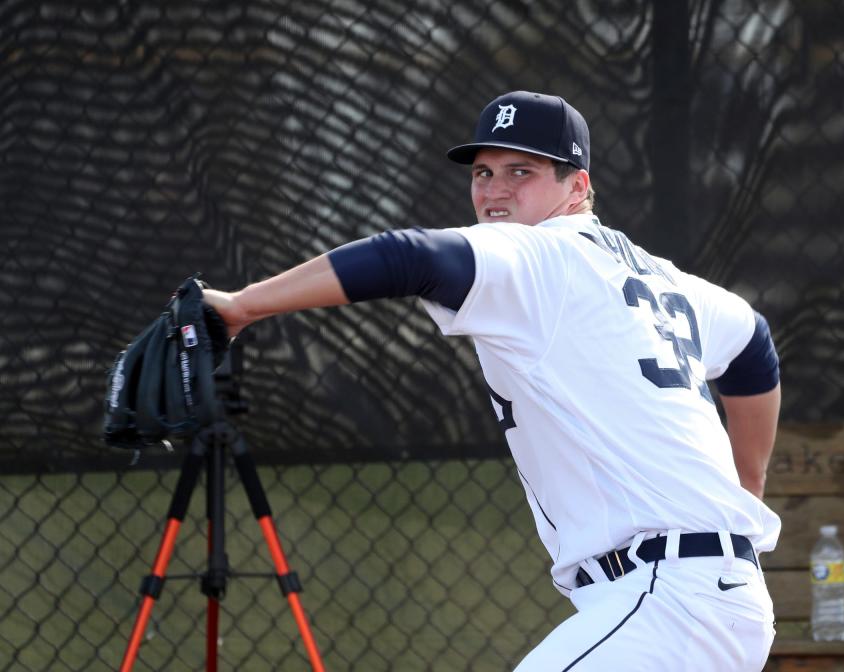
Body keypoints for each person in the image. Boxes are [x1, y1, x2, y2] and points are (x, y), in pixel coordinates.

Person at [203, 91, 781, 670]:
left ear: (577, 187)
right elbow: (753, 343)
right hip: (693, 597)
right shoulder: (660, 277)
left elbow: (408, 257)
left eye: (521, 171)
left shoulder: (539, 255)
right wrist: (746, 485)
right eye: (483, 171)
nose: (494, 189)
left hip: (669, 603)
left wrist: (241, 307)